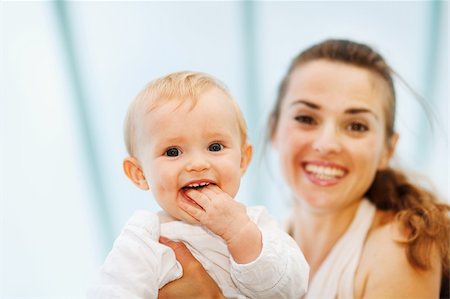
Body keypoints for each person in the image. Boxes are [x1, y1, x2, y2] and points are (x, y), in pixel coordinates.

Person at [158, 40, 450, 299]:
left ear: (387, 149)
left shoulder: (404, 246)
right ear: (273, 129)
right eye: (307, 118)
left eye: (356, 126)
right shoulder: (265, 239)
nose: (326, 144)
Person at [87, 71, 309, 299]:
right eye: (172, 152)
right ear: (140, 173)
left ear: (243, 160)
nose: (198, 164)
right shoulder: (143, 240)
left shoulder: (257, 224)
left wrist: (241, 234)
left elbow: (292, 290)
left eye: (215, 147)